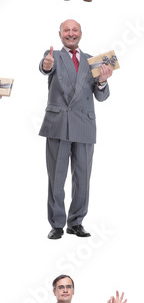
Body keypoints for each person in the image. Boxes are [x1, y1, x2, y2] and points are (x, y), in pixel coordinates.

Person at [39, 19, 111, 239]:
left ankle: (76, 222)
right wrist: (46, 65)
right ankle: (57, 224)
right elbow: (44, 68)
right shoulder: (53, 56)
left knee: (83, 177)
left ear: (81, 33)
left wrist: (102, 81)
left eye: (74, 30)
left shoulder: (93, 61)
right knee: (56, 178)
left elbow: (101, 96)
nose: (70, 33)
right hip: (58, 124)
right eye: (66, 30)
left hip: (84, 124)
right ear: (59, 34)